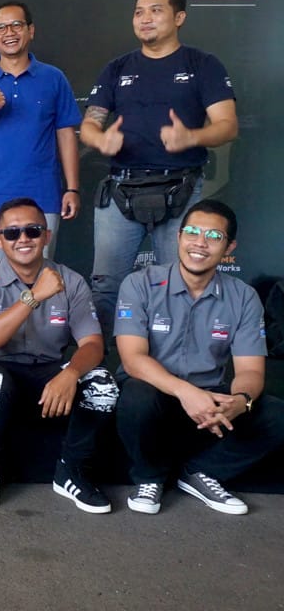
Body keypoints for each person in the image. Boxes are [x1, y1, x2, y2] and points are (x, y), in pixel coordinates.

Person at [82, 0, 238, 337]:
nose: (145, 19)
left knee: (181, 283)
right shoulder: (117, 68)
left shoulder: (203, 64)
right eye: (139, 12)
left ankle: (174, 361)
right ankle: (101, 363)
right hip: (121, 190)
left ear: (179, 17)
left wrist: (192, 136)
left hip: (180, 189)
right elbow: (89, 124)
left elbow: (227, 125)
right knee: (106, 286)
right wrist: (100, 140)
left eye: (155, 10)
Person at [115, 199, 284, 515]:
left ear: (229, 246)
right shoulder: (140, 283)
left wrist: (240, 401)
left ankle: (202, 473)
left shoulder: (243, 296)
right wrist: (184, 392)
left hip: (210, 401)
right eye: (192, 232)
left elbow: (251, 371)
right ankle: (149, 477)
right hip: (154, 396)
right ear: (179, 237)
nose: (200, 243)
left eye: (214, 236)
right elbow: (133, 359)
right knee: (137, 394)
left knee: (276, 414)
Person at [0, 197, 118, 513]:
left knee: (103, 384)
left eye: (32, 231)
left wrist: (71, 373)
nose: (23, 239)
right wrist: (34, 297)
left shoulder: (71, 280)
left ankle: (72, 470)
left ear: (46, 236)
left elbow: (93, 344)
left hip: (49, 371)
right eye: (12, 233)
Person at [0, 2, 82, 269]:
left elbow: (66, 135)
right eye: (1, 28)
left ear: (30, 31)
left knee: (40, 280)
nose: (9, 33)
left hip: (41, 197)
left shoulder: (54, 78)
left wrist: (72, 188)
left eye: (16, 25)